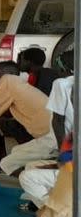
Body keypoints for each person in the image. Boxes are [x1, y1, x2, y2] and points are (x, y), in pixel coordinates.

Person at [18, 71, 74, 208]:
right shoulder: (64, 85)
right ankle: (55, 206)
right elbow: (58, 122)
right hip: (72, 162)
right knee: (31, 166)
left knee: (26, 178)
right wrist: (63, 161)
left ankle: (58, 215)